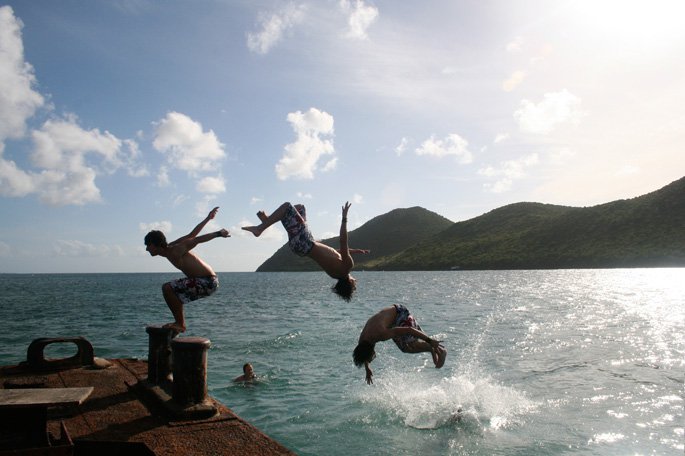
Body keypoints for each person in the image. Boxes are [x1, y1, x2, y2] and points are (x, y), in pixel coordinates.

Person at [242, 201, 369, 301]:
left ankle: (260, 228)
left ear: (349, 284)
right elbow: (332, 253)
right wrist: (355, 251)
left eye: (354, 285)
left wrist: (344, 218)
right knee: (300, 208)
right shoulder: (335, 274)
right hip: (301, 247)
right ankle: (268, 220)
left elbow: (343, 241)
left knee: (287, 207)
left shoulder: (347, 267)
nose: (356, 281)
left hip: (305, 241)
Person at [144, 207, 230, 334]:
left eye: (148, 245)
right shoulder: (170, 248)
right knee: (172, 291)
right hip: (203, 280)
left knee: (168, 288)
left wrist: (218, 234)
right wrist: (208, 219)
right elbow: (191, 235)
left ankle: (180, 324)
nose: (147, 249)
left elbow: (196, 240)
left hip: (208, 281)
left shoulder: (175, 250)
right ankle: (179, 323)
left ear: (156, 244)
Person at [353, 305, 447, 384]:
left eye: (370, 357)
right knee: (404, 348)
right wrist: (367, 368)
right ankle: (431, 349)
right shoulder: (363, 341)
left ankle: (438, 350)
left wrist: (430, 340)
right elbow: (363, 352)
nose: (373, 357)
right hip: (390, 322)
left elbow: (409, 330)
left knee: (411, 344)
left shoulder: (381, 334)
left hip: (400, 313)